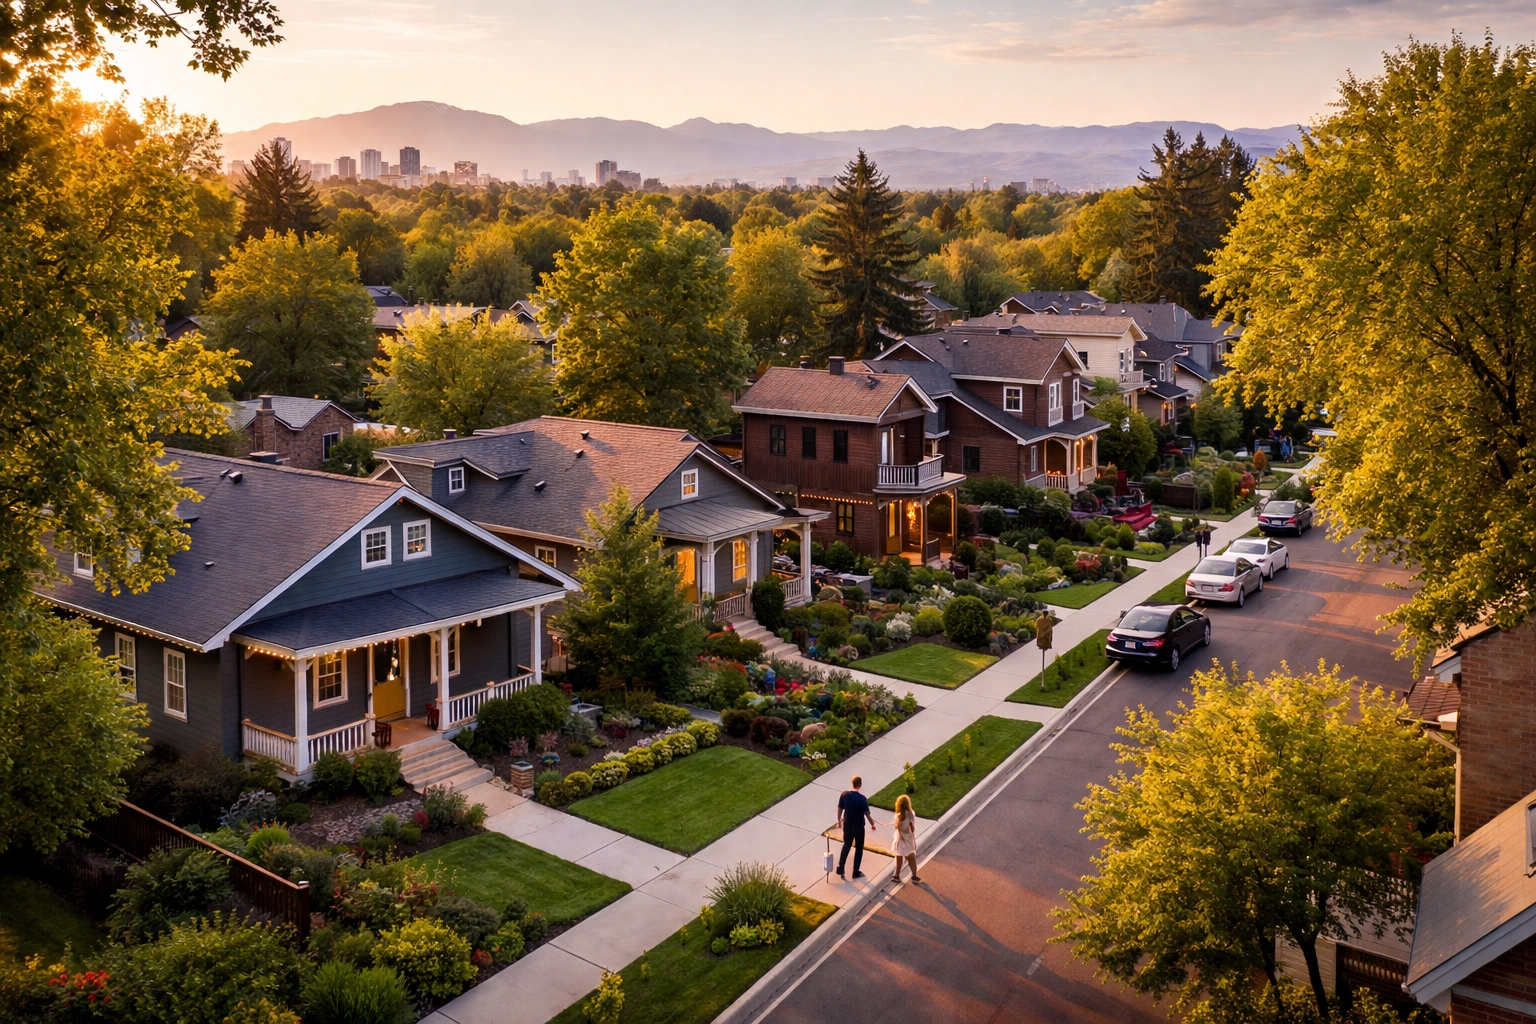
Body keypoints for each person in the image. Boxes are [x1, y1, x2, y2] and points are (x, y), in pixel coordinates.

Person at [836, 775, 876, 879]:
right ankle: (855, 872)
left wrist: (838, 821)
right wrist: (872, 824)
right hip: (859, 828)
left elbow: (840, 808)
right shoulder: (862, 799)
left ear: (852, 783)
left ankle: (841, 867)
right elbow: (867, 813)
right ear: (860, 785)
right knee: (859, 849)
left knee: (846, 845)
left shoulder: (844, 794)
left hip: (848, 826)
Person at [890, 793, 920, 884]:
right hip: (908, 838)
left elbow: (896, 827)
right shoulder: (911, 814)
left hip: (899, 839)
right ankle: (914, 875)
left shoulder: (898, 816)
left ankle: (896, 875)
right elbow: (912, 827)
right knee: (911, 857)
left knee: (898, 856)